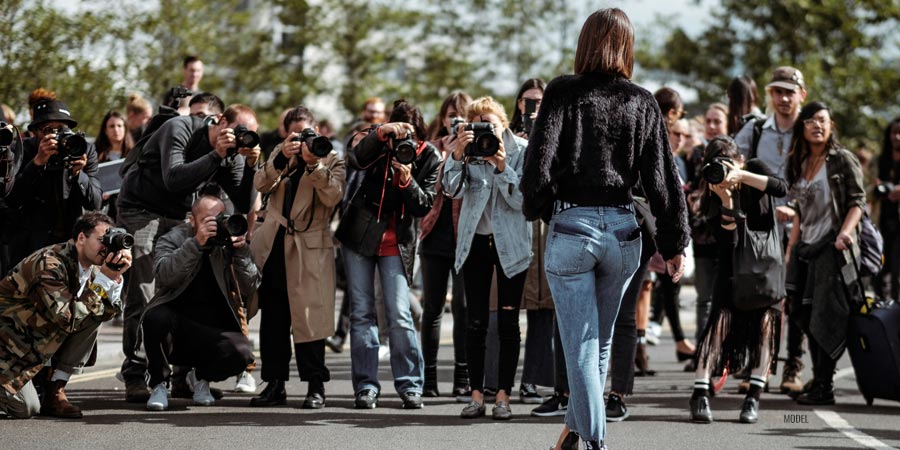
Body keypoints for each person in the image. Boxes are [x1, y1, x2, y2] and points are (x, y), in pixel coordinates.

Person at [520, 8, 689, 449]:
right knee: (596, 347)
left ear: (585, 43)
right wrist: (675, 244)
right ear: (628, 46)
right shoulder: (643, 101)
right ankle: (571, 436)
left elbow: (537, 167)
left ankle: (595, 442)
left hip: (573, 227)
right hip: (623, 231)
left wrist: (541, 208)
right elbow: (664, 182)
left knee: (579, 348)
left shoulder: (562, 93)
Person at [116, 98, 259, 402]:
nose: (243, 137)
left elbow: (243, 201)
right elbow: (174, 178)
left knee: (186, 286)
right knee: (145, 289)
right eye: (240, 130)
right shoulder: (179, 127)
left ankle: (183, 375)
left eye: (251, 133)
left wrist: (250, 164)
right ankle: (137, 371)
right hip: (142, 208)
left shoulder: (232, 154)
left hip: (181, 214)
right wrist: (216, 154)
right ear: (220, 121)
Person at [335, 99, 441, 410]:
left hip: (399, 242)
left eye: (411, 136)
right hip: (359, 237)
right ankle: (366, 387)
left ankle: (410, 386)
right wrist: (381, 134)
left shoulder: (429, 154)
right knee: (362, 313)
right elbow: (355, 158)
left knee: (399, 314)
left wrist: (407, 181)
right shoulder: (378, 143)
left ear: (420, 133)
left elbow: (423, 204)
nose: (405, 143)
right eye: (400, 134)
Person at [249, 106, 346, 409]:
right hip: (276, 243)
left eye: (308, 133)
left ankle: (316, 385)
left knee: (310, 320)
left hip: (310, 244)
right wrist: (281, 158)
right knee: (274, 319)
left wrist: (312, 164)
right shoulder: (279, 152)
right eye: (296, 134)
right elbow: (260, 184)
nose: (303, 140)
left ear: (317, 130)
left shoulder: (330, 156)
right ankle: (274, 383)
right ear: (286, 133)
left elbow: (333, 196)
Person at [442, 96, 531, 420]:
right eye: (478, 124)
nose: (485, 131)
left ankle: (504, 396)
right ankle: (476, 396)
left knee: (508, 324)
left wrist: (503, 166)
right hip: (475, 243)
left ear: (503, 123)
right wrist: (455, 154)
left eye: (490, 124)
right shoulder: (466, 150)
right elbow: (451, 190)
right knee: (475, 323)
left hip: (511, 245)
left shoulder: (520, 149)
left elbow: (525, 201)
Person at [689, 136, 788, 424]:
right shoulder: (711, 192)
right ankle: (700, 394)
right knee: (717, 328)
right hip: (732, 271)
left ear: (740, 160)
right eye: (716, 163)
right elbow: (729, 242)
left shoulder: (754, 169)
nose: (722, 168)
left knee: (767, 328)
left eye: (728, 161)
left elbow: (780, 187)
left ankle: (753, 398)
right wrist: (726, 199)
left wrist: (741, 175)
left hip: (766, 269)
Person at [0, 212, 130, 419]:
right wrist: (104, 278)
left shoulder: (94, 270)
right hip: (9, 347)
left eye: (110, 241)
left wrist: (115, 277)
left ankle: (55, 391)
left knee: (94, 315)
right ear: (81, 238)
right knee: (26, 409)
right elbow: (67, 317)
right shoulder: (50, 264)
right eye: (102, 240)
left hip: (32, 345)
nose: (107, 248)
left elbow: (105, 313)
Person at [142, 192, 258, 411]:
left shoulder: (227, 243)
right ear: (192, 220)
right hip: (175, 327)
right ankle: (159, 384)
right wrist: (196, 243)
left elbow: (251, 285)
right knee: (154, 317)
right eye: (208, 220)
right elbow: (165, 275)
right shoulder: (172, 238)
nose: (217, 224)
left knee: (242, 353)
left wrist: (241, 252)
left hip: (209, 328)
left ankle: (200, 378)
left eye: (220, 217)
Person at [785, 102, 865, 406]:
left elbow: (858, 201)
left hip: (833, 249)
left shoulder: (842, 160)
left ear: (831, 126)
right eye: (811, 121)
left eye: (823, 120)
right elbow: (798, 212)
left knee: (826, 315)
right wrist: (792, 249)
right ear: (802, 127)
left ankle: (824, 386)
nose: (817, 125)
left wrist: (845, 232)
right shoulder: (800, 161)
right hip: (806, 248)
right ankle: (818, 380)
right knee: (804, 316)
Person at [735, 66, 808, 396]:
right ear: (770, 95)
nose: (783, 98)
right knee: (760, 296)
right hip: (763, 229)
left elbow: (816, 177)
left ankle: (792, 364)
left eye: (790, 92)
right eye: (777, 92)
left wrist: (795, 208)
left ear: (801, 95)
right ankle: (757, 366)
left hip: (799, 227)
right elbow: (736, 164)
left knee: (794, 298)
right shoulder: (756, 129)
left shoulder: (809, 131)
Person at [5, 99, 102, 267]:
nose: (56, 136)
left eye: (63, 129)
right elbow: (12, 198)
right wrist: (37, 163)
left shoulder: (82, 149)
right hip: (30, 245)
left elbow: (95, 202)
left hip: (71, 242)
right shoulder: (20, 150)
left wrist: (78, 174)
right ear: (35, 132)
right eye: (48, 130)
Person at [419, 91, 472, 399]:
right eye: (451, 115)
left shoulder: (479, 149)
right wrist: (448, 157)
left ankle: (463, 377)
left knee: (464, 309)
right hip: (434, 236)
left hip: (466, 238)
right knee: (433, 309)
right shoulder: (431, 150)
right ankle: (428, 378)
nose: (455, 120)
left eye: (462, 116)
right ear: (442, 118)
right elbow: (432, 189)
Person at [873, 117, 900, 303]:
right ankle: (882, 316)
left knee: (897, 274)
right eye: (893, 132)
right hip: (880, 224)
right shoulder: (879, 161)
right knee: (877, 272)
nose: (897, 136)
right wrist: (877, 188)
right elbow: (864, 188)